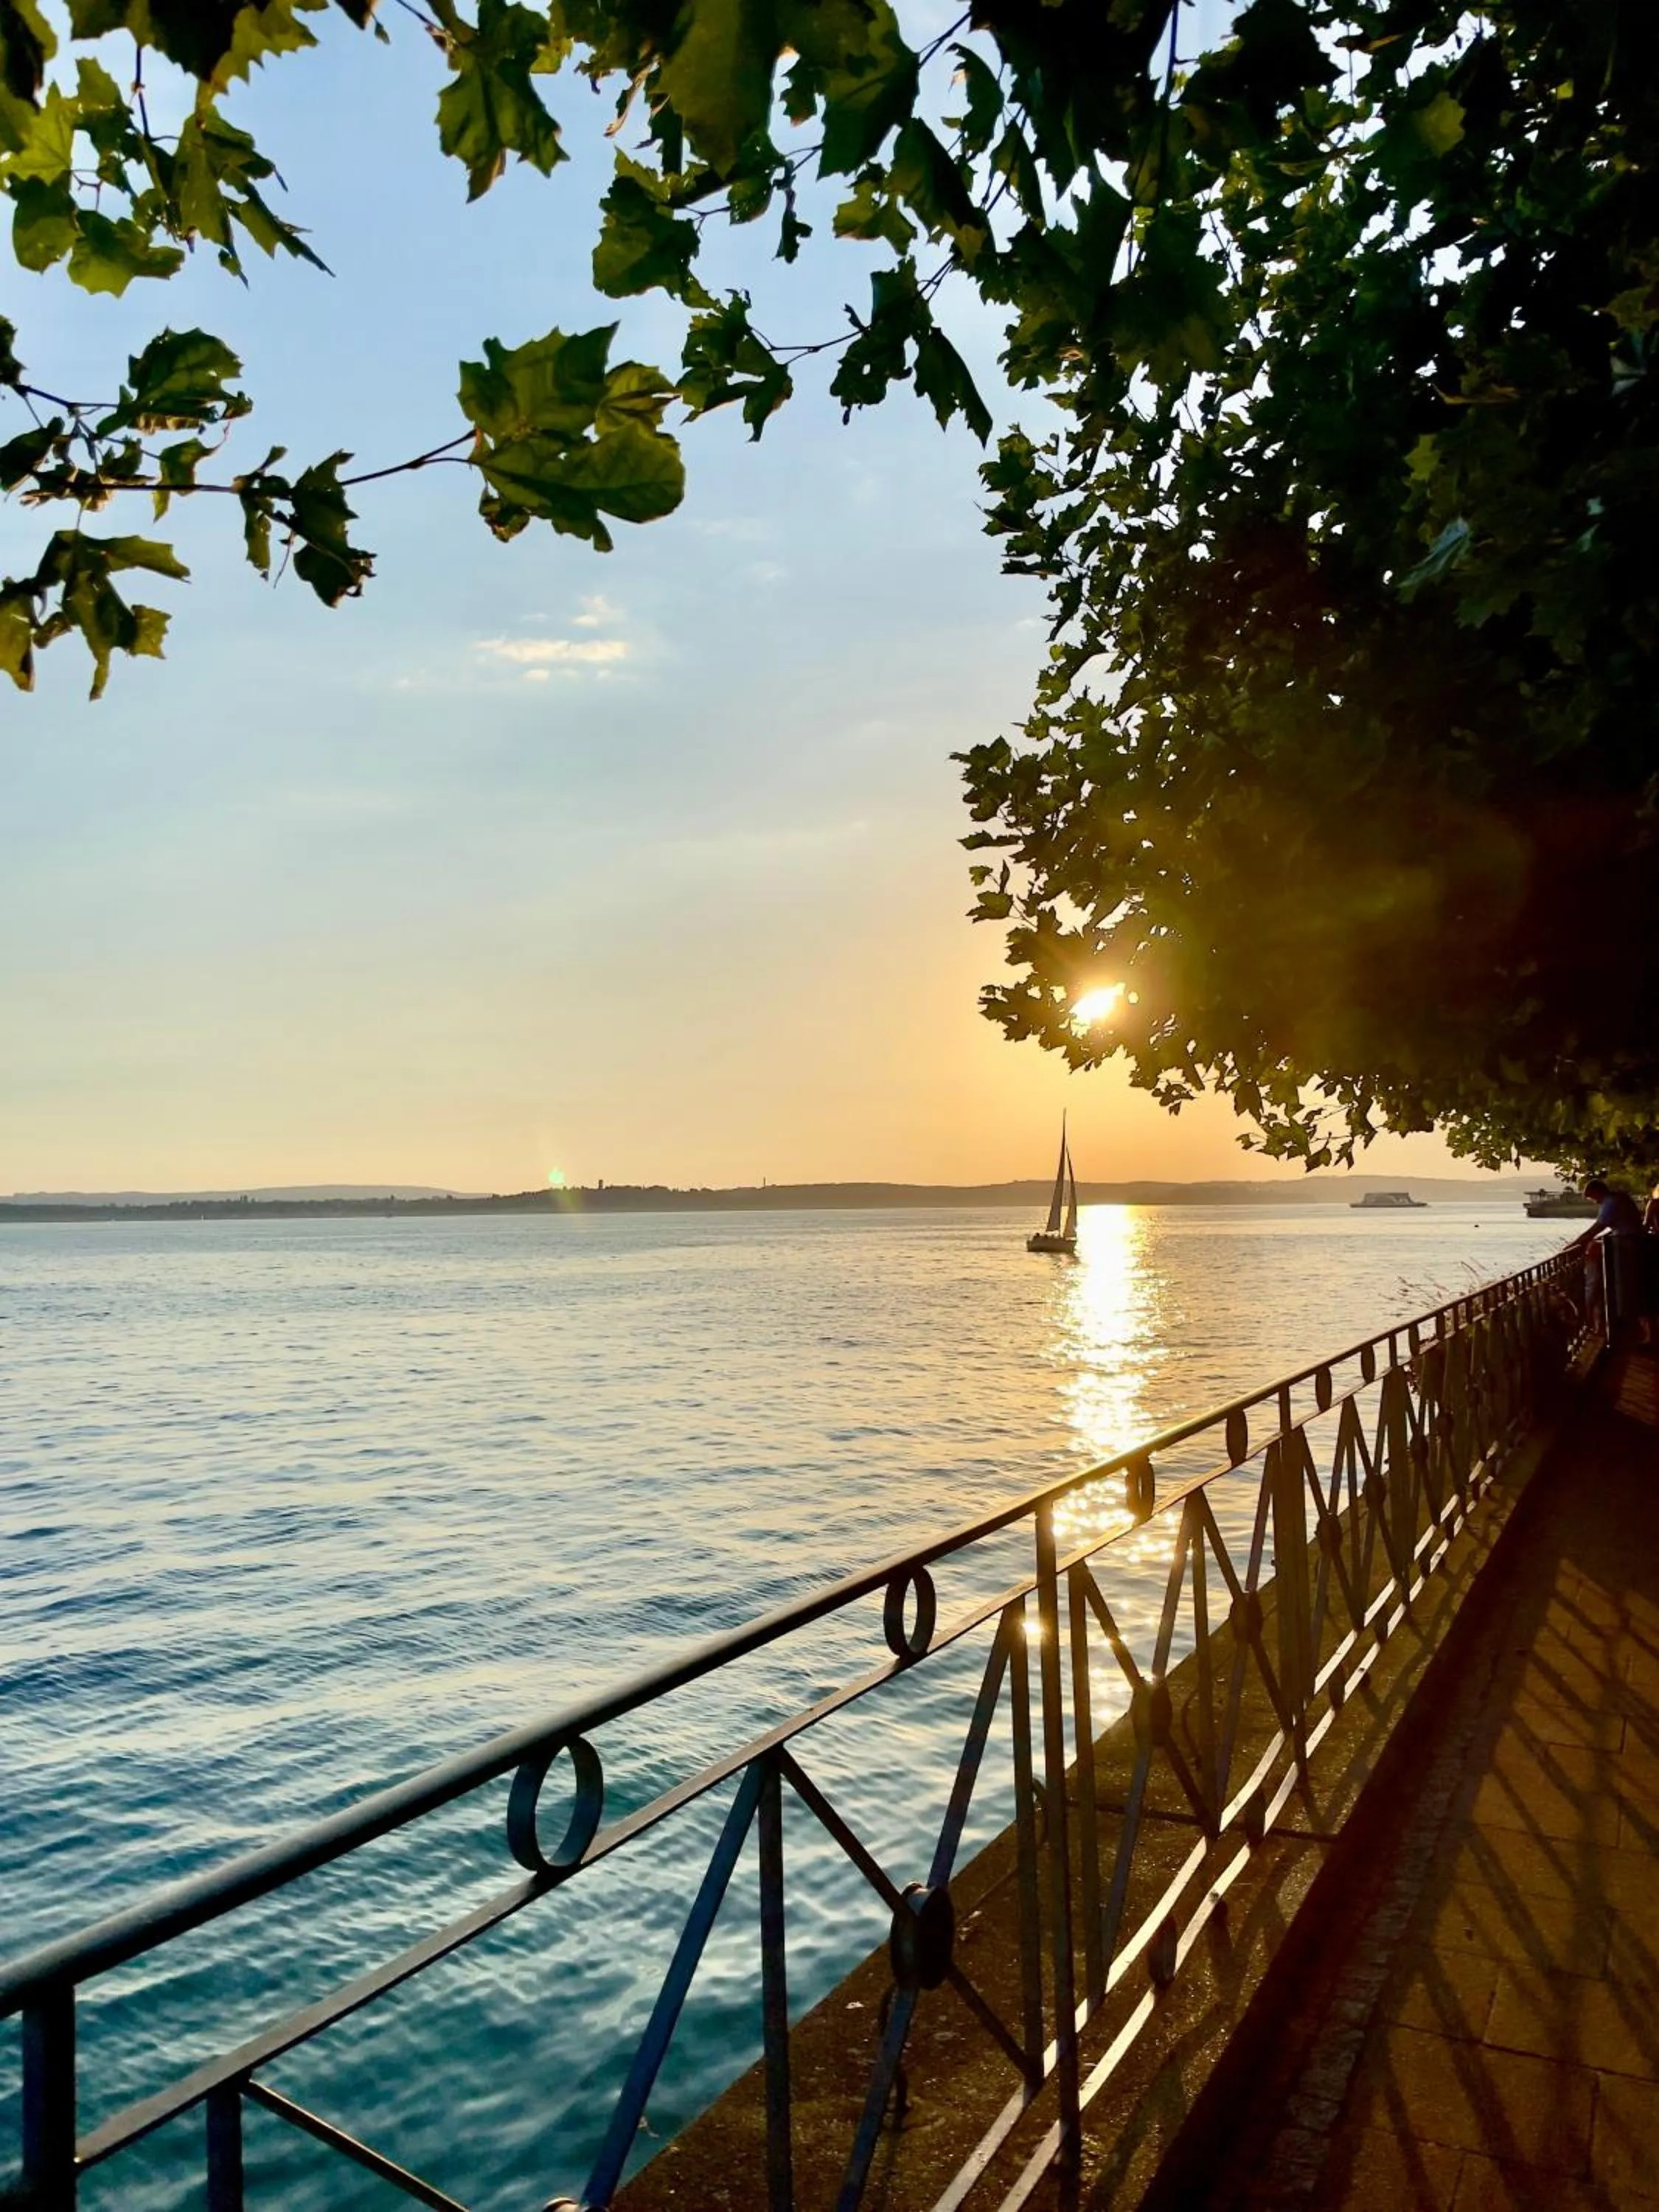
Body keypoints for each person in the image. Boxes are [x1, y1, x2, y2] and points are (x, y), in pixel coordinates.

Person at [1572, 1177, 1645, 1335]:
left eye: (1592, 1198)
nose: (1594, 1202)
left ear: (1597, 1192)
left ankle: (1623, 1325)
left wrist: (1574, 1245)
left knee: (1625, 1285)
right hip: (1633, 1242)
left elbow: (1596, 1229)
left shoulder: (1610, 1203)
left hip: (1627, 1246)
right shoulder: (1618, 1199)